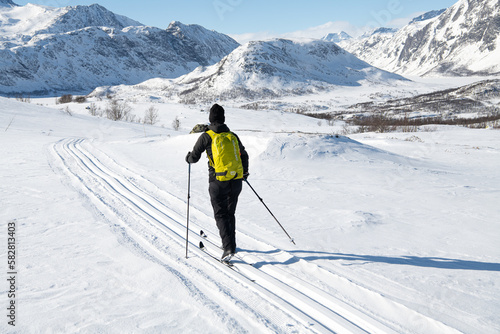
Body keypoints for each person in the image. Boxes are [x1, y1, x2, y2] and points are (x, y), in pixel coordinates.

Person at [185, 104, 249, 262]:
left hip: (218, 181)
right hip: (236, 180)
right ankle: (230, 244)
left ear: (210, 119)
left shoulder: (207, 136)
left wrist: (188, 158)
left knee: (221, 214)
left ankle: (228, 248)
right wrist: (244, 173)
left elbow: (194, 157)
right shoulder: (232, 135)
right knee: (230, 213)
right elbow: (244, 155)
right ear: (224, 119)